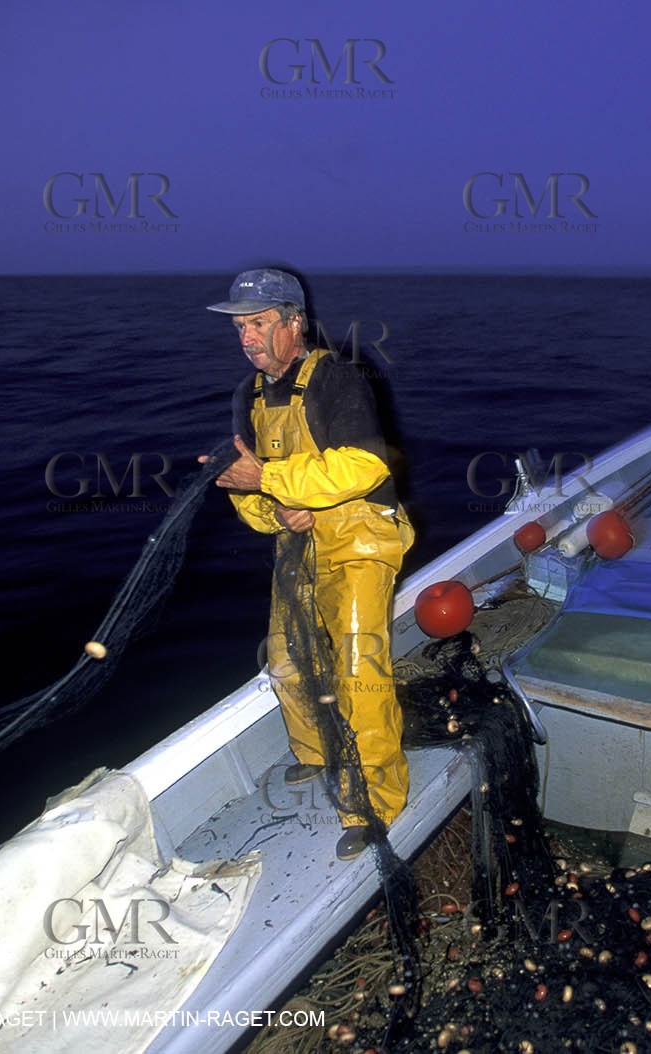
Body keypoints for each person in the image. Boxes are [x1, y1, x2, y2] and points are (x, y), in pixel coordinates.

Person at [203, 268, 413, 860]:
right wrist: (272, 508)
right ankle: (318, 754)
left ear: (294, 323)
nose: (247, 337)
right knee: (285, 663)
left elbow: (365, 466)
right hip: (302, 546)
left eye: (260, 323)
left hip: (362, 537)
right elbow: (260, 503)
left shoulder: (338, 378)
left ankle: (376, 801)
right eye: (240, 326)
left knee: (357, 668)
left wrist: (269, 479)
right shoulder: (248, 396)